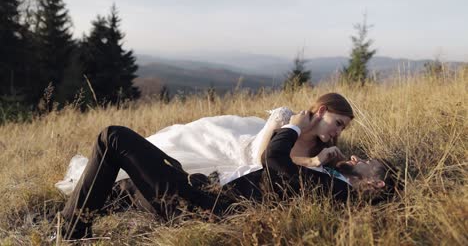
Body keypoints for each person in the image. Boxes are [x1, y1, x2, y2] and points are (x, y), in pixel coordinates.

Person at [60, 102, 400, 240]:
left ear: (375, 183)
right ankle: (70, 217)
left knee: (113, 137)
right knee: (128, 188)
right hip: (204, 191)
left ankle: (69, 236)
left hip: (196, 207)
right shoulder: (331, 179)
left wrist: (294, 127)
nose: (357, 158)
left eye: (366, 165)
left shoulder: (336, 188)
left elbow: (274, 162)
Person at [56, 93, 353, 193]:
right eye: (338, 123)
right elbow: (264, 159)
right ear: (323, 111)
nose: (338, 132)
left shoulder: (319, 148)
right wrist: (312, 160)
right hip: (236, 152)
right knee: (172, 153)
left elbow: (290, 171)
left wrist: (331, 161)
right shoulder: (288, 120)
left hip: (239, 177)